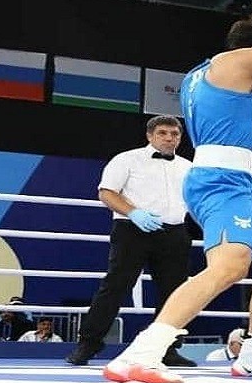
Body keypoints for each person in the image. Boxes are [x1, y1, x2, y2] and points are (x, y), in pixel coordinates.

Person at [101, 14, 252, 383]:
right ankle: (140, 354)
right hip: (223, 181)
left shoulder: (202, 73)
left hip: (227, 180)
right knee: (228, 268)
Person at [66, 115, 196, 368]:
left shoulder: (188, 167)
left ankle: (167, 348)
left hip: (174, 232)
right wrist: (134, 213)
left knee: (174, 292)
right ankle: (88, 343)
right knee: (115, 285)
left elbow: (196, 200)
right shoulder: (127, 159)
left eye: (174, 134)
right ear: (150, 135)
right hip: (132, 229)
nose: (169, 138)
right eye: (163, 133)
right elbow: (106, 193)